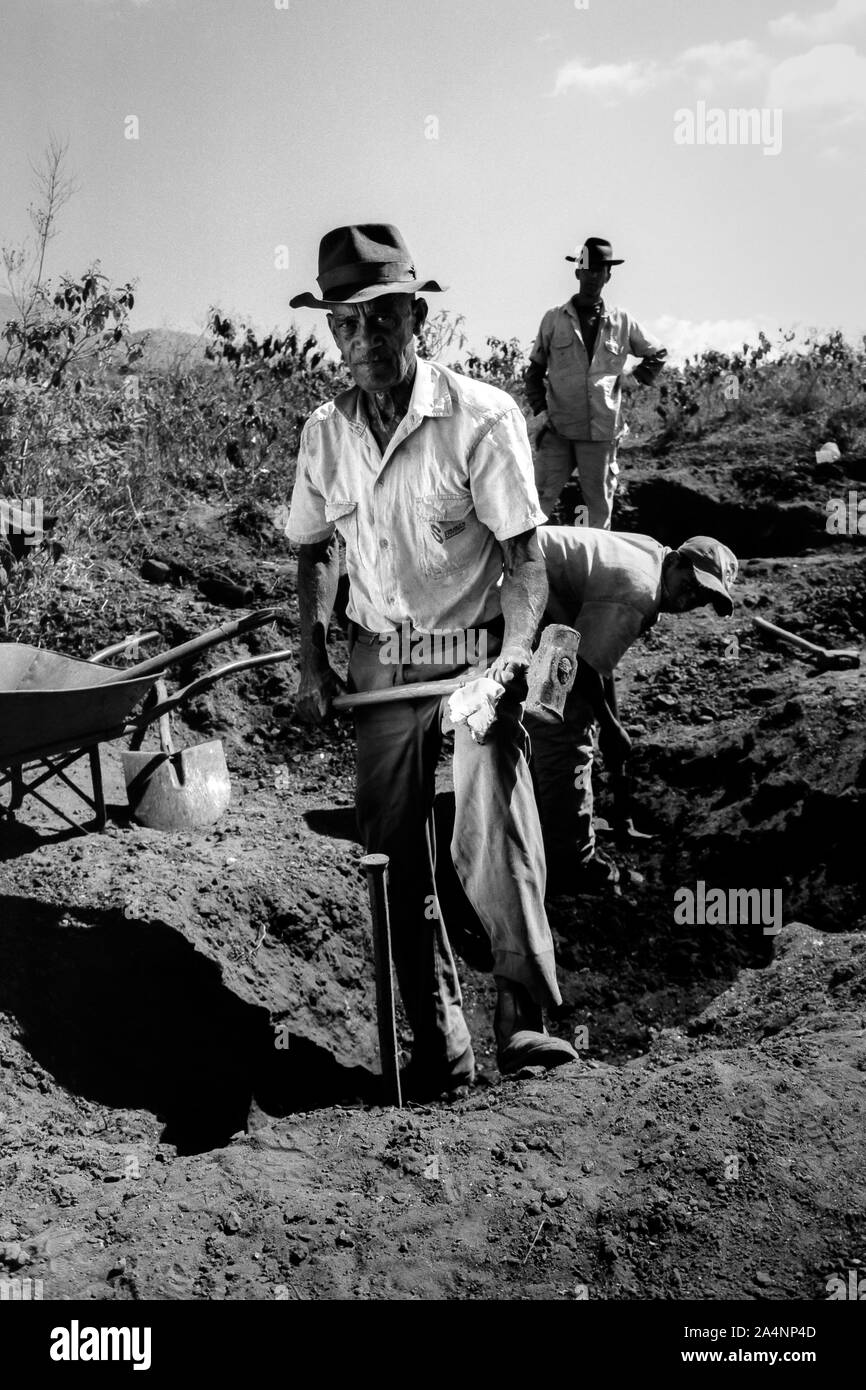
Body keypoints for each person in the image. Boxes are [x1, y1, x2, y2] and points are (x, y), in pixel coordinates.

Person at [283, 224, 577, 1097]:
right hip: (382, 651)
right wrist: (314, 660)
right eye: (347, 323)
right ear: (331, 330)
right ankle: (440, 1050)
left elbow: (525, 559)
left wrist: (511, 662)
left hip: (470, 647)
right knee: (391, 856)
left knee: (491, 807)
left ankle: (524, 1017)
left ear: (417, 316)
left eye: (383, 318)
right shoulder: (324, 435)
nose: (366, 339)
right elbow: (312, 551)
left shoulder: (481, 417)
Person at [527, 527, 738, 892]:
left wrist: (614, 724)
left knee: (545, 719)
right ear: (675, 562)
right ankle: (572, 862)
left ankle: (534, 823)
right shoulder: (640, 590)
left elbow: (597, 658)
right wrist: (609, 727)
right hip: (506, 591)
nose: (689, 599)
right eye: (690, 584)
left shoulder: (650, 557)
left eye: (701, 597)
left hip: (533, 600)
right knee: (566, 730)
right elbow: (584, 669)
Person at [524, 237, 667, 529]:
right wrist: (541, 411)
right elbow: (534, 371)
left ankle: (595, 559)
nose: (592, 276)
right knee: (536, 501)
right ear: (578, 272)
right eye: (588, 270)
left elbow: (658, 353)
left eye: (599, 271)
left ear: (608, 276)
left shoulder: (622, 320)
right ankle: (527, 557)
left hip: (601, 431)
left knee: (599, 508)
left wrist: (633, 380)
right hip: (559, 428)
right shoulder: (554, 319)